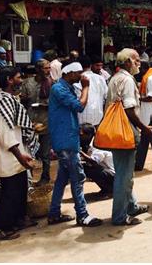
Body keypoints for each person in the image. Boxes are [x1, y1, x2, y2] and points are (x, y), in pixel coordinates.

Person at [47, 62, 102, 227]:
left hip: (66, 138)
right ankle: (82, 215)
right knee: (78, 177)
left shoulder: (65, 88)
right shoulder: (59, 89)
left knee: (62, 179)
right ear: (69, 73)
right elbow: (79, 106)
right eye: (78, 73)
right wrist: (86, 87)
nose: (81, 77)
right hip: (66, 140)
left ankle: (54, 213)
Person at [106, 48, 152, 225]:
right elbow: (128, 109)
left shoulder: (115, 78)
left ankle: (132, 205)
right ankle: (119, 216)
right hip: (125, 132)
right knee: (124, 176)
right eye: (136, 60)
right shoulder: (126, 80)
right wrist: (145, 128)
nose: (139, 63)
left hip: (117, 132)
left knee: (124, 172)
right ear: (127, 62)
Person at [0, 67, 36, 240]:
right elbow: (5, 134)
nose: (21, 80)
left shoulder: (10, 100)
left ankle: (18, 220)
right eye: (18, 77)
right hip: (10, 156)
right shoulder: (2, 103)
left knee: (20, 190)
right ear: (9, 80)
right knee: (10, 194)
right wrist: (19, 154)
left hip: (17, 155)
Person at [20, 58, 53, 186]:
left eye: (49, 68)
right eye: (46, 68)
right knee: (28, 151)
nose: (48, 70)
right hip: (30, 122)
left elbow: (55, 103)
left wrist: (42, 105)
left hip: (46, 122)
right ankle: (29, 178)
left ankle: (45, 177)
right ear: (38, 69)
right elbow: (22, 101)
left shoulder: (51, 83)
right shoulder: (27, 83)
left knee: (45, 153)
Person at [79, 124, 115, 198]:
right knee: (85, 167)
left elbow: (94, 161)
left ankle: (110, 190)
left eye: (81, 135)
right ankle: (106, 189)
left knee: (92, 170)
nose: (80, 137)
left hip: (114, 175)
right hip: (108, 172)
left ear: (89, 135)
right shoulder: (89, 144)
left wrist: (79, 151)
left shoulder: (99, 143)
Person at [74, 55, 108, 128]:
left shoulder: (77, 80)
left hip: (82, 120)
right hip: (98, 118)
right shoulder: (101, 79)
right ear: (90, 65)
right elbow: (106, 96)